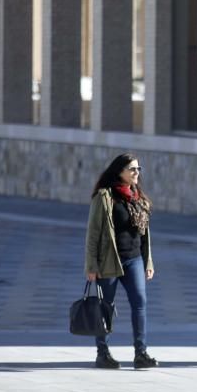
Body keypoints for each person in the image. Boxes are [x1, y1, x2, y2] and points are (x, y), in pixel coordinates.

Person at [84, 152, 157, 370]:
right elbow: (93, 233)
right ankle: (102, 353)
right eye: (132, 169)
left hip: (133, 259)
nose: (137, 172)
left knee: (140, 303)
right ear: (120, 172)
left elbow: (144, 234)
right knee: (105, 307)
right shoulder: (104, 197)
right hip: (109, 261)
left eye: (138, 169)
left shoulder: (137, 197)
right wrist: (91, 265)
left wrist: (148, 262)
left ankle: (141, 353)